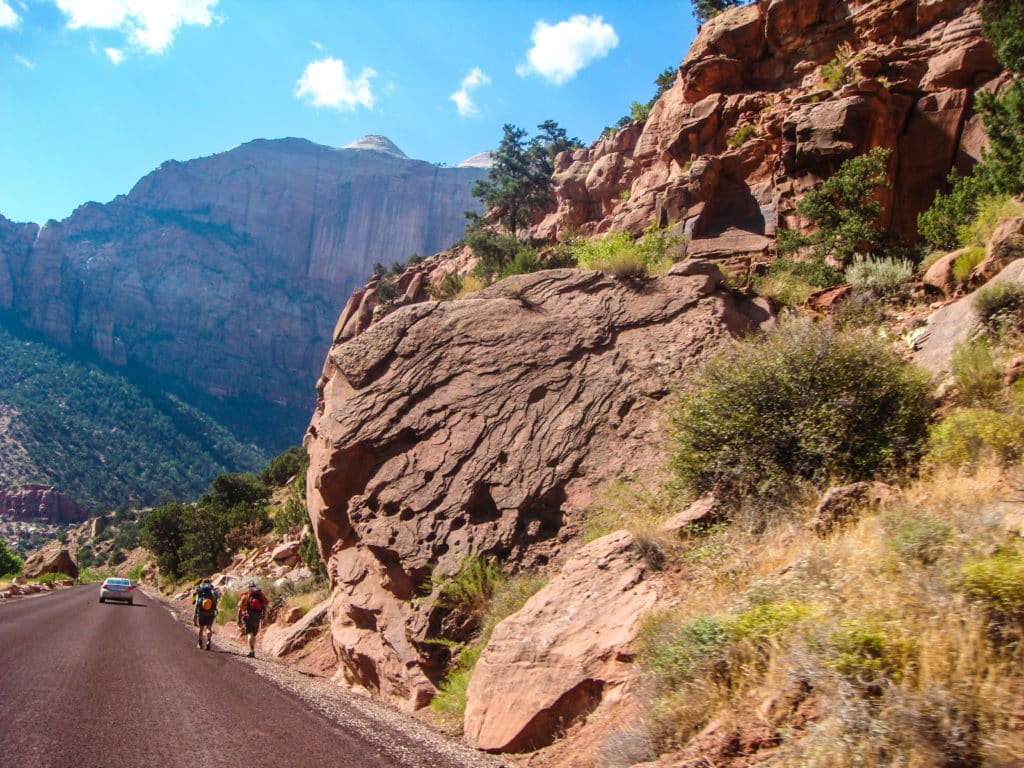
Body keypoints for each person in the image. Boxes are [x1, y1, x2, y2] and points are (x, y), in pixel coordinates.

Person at [236, 579, 268, 658]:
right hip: (258, 617)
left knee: (249, 634)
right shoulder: (260, 595)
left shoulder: (246, 595)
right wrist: (264, 618)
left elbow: (239, 608)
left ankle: (251, 650)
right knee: (254, 634)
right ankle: (252, 649)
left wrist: (239, 619)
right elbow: (265, 607)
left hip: (248, 617)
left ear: (249, 587)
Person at [193, 578, 220, 650]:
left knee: (201, 628)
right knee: (208, 628)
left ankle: (200, 643)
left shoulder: (201, 591)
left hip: (201, 611)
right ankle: (208, 641)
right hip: (211, 612)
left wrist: (195, 615)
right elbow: (216, 601)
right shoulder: (212, 591)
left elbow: (197, 604)